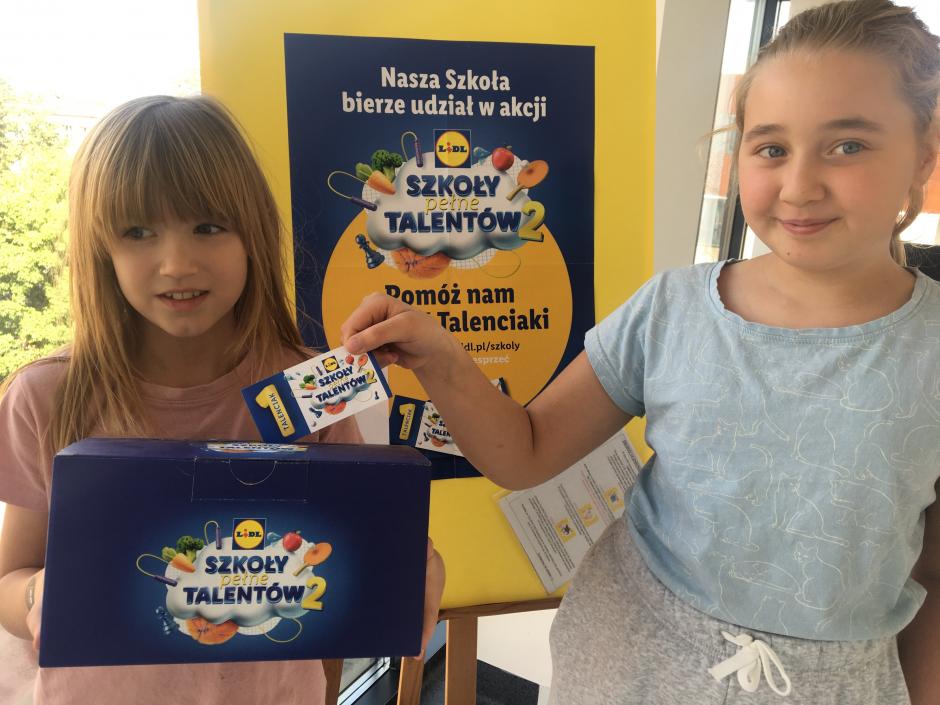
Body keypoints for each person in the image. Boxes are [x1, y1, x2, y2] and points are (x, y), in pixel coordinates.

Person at [340, 1, 940, 702]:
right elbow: (525, 451)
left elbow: (932, 570)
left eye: (848, 145)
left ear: (924, 158)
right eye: (771, 148)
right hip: (626, 661)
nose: (799, 186)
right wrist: (441, 358)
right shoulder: (672, 309)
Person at [0, 95, 445, 705]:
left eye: (208, 226)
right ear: (101, 247)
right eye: (138, 232)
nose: (177, 264)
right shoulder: (46, 395)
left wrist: (400, 564)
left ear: (252, 233)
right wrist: (37, 594)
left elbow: (342, 559)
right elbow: (9, 578)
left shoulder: (310, 388)